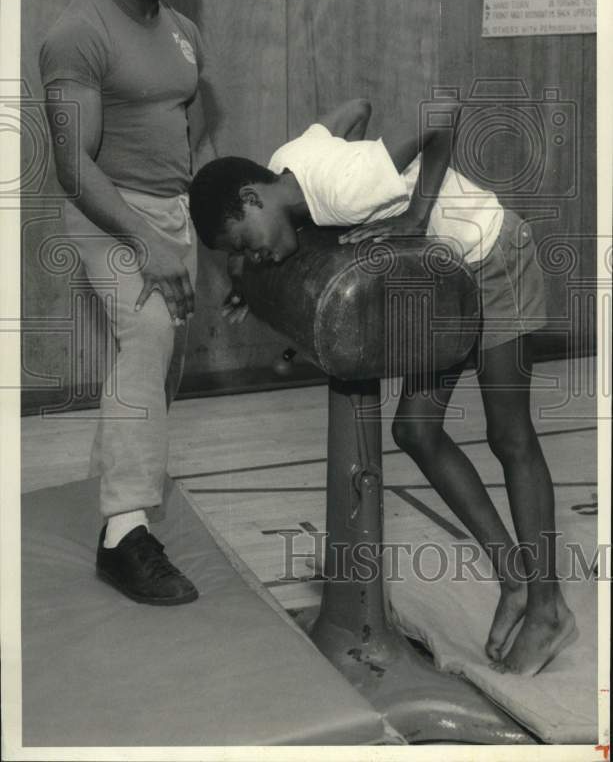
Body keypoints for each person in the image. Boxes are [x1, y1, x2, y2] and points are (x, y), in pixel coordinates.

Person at [188, 97, 577, 675]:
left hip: (493, 253)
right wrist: (255, 280)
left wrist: (414, 215)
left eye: (245, 243)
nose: (256, 256)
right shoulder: (287, 163)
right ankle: (514, 579)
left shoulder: (346, 188)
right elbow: (353, 111)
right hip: (446, 275)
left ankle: (549, 607)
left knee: (510, 436)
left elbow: (441, 110)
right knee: (416, 430)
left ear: (252, 196)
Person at [41, 0, 211, 606]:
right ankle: (124, 534)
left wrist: (195, 231)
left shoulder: (181, 32)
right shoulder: (78, 32)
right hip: (109, 208)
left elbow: (183, 131)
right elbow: (72, 164)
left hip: (171, 211)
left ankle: (116, 493)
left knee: (160, 369)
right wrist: (146, 241)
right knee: (145, 335)